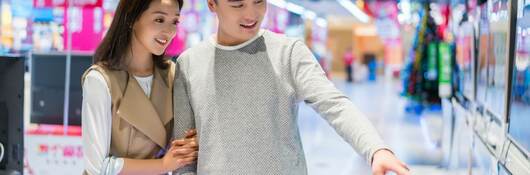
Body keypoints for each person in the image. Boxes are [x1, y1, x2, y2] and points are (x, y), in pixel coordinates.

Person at [173, 0, 410, 174]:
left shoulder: (288, 53)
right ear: (212, 4)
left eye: (258, 2)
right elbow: (184, 151)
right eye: (237, 5)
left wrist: (376, 149)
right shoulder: (189, 63)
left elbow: (334, 104)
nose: (251, 14)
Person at [81, 0, 198, 174]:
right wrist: (163, 166)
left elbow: (183, 139)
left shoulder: (174, 75)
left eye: (175, 21)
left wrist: (193, 142)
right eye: (159, 20)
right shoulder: (100, 80)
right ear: (131, 18)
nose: (169, 31)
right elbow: (97, 168)